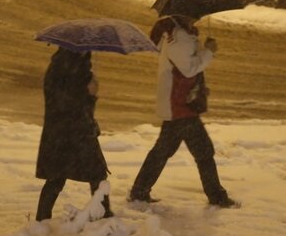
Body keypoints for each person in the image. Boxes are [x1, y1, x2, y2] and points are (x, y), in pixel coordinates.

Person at [128, 15, 238, 208]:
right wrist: (208, 52)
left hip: (181, 104)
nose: (199, 17)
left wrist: (199, 88)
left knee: (163, 151)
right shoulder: (178, 38)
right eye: (195, 14)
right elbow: (188, 69)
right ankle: (216, 197)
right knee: (203, 151)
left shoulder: (182, 35)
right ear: (184, 14)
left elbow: (185, 70)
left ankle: (139, 191)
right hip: (179, 106)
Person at [35, 47, 113, 221]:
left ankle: (42, 219)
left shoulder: (70, 65)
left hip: (65, 133)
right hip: (73, 132)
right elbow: (67, 103)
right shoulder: (67, 68)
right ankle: (104, 216)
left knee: (58, 176)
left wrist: (89, 91)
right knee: (96, 173)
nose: (89, 50)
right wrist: (89, 93)